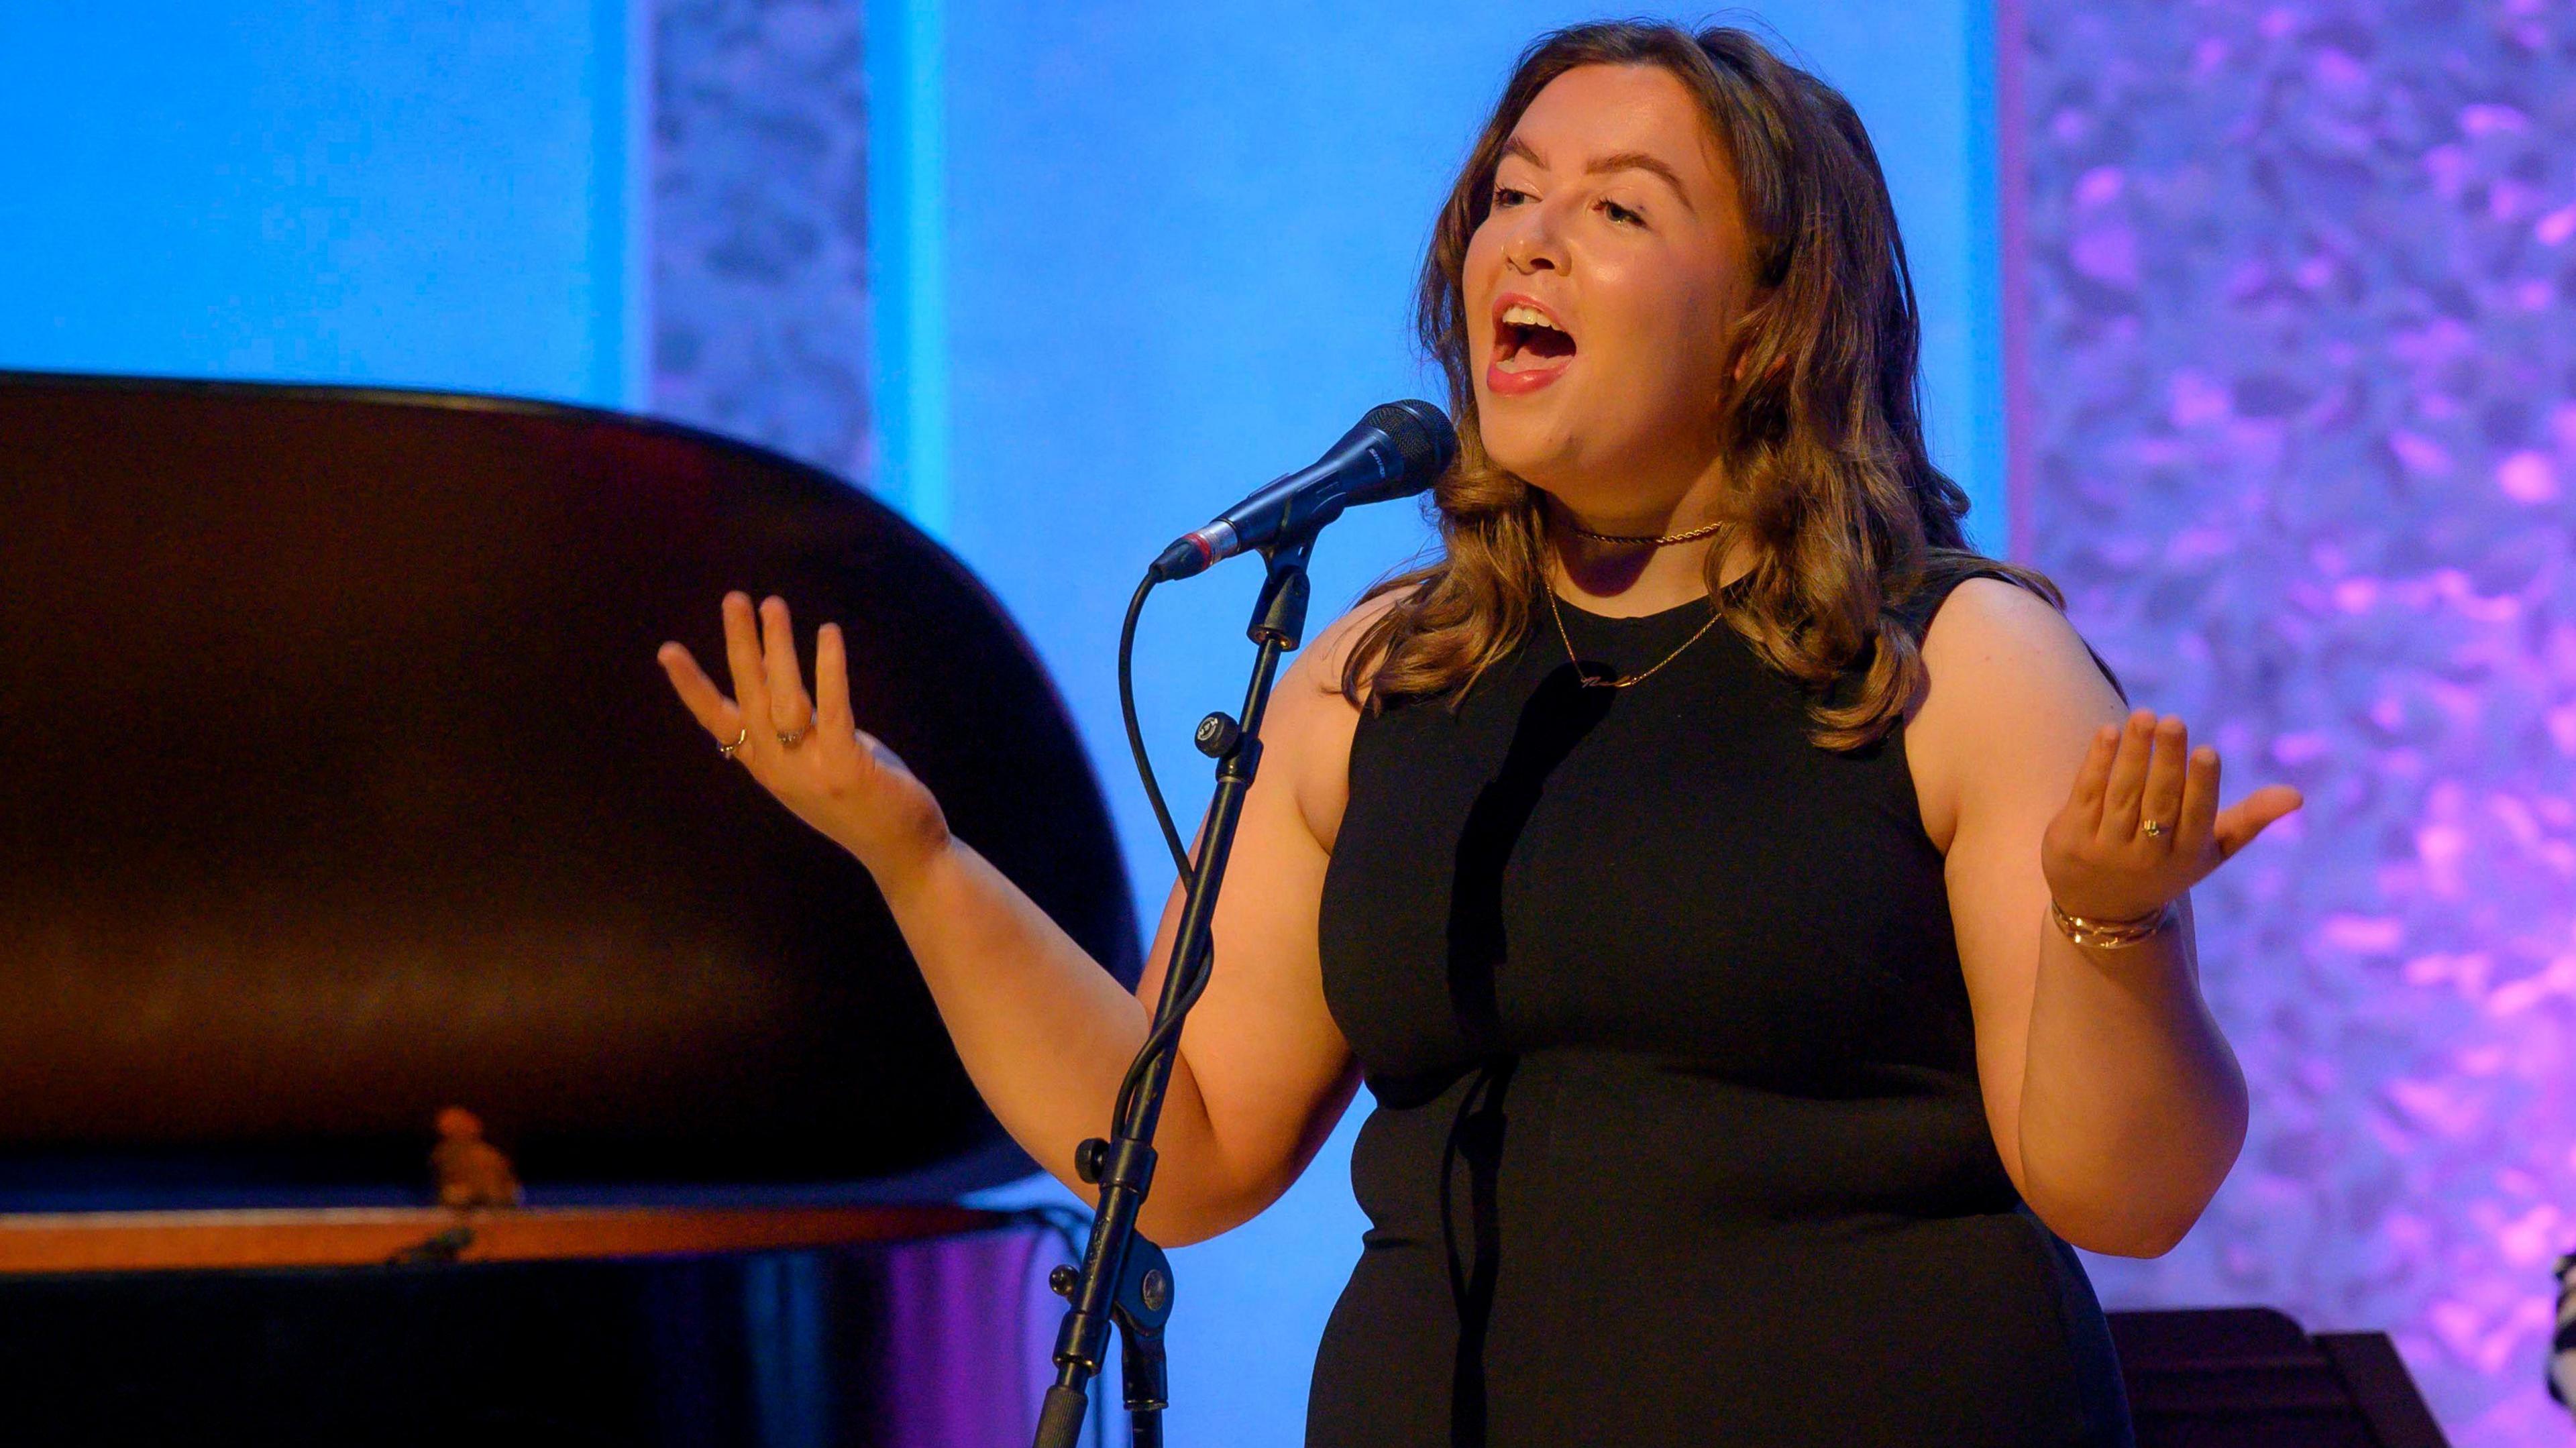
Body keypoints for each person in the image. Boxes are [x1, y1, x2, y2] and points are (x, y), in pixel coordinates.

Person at [655, 20, 2301, 1447]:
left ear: (1767, 320)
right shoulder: (1385, 674)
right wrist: (915, 856)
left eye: (1614, 210)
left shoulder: (1955, 659)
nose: (1528, 242)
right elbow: (1187, 1151)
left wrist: (2117, 921)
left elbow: (2128, 1193)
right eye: (1511, 195)